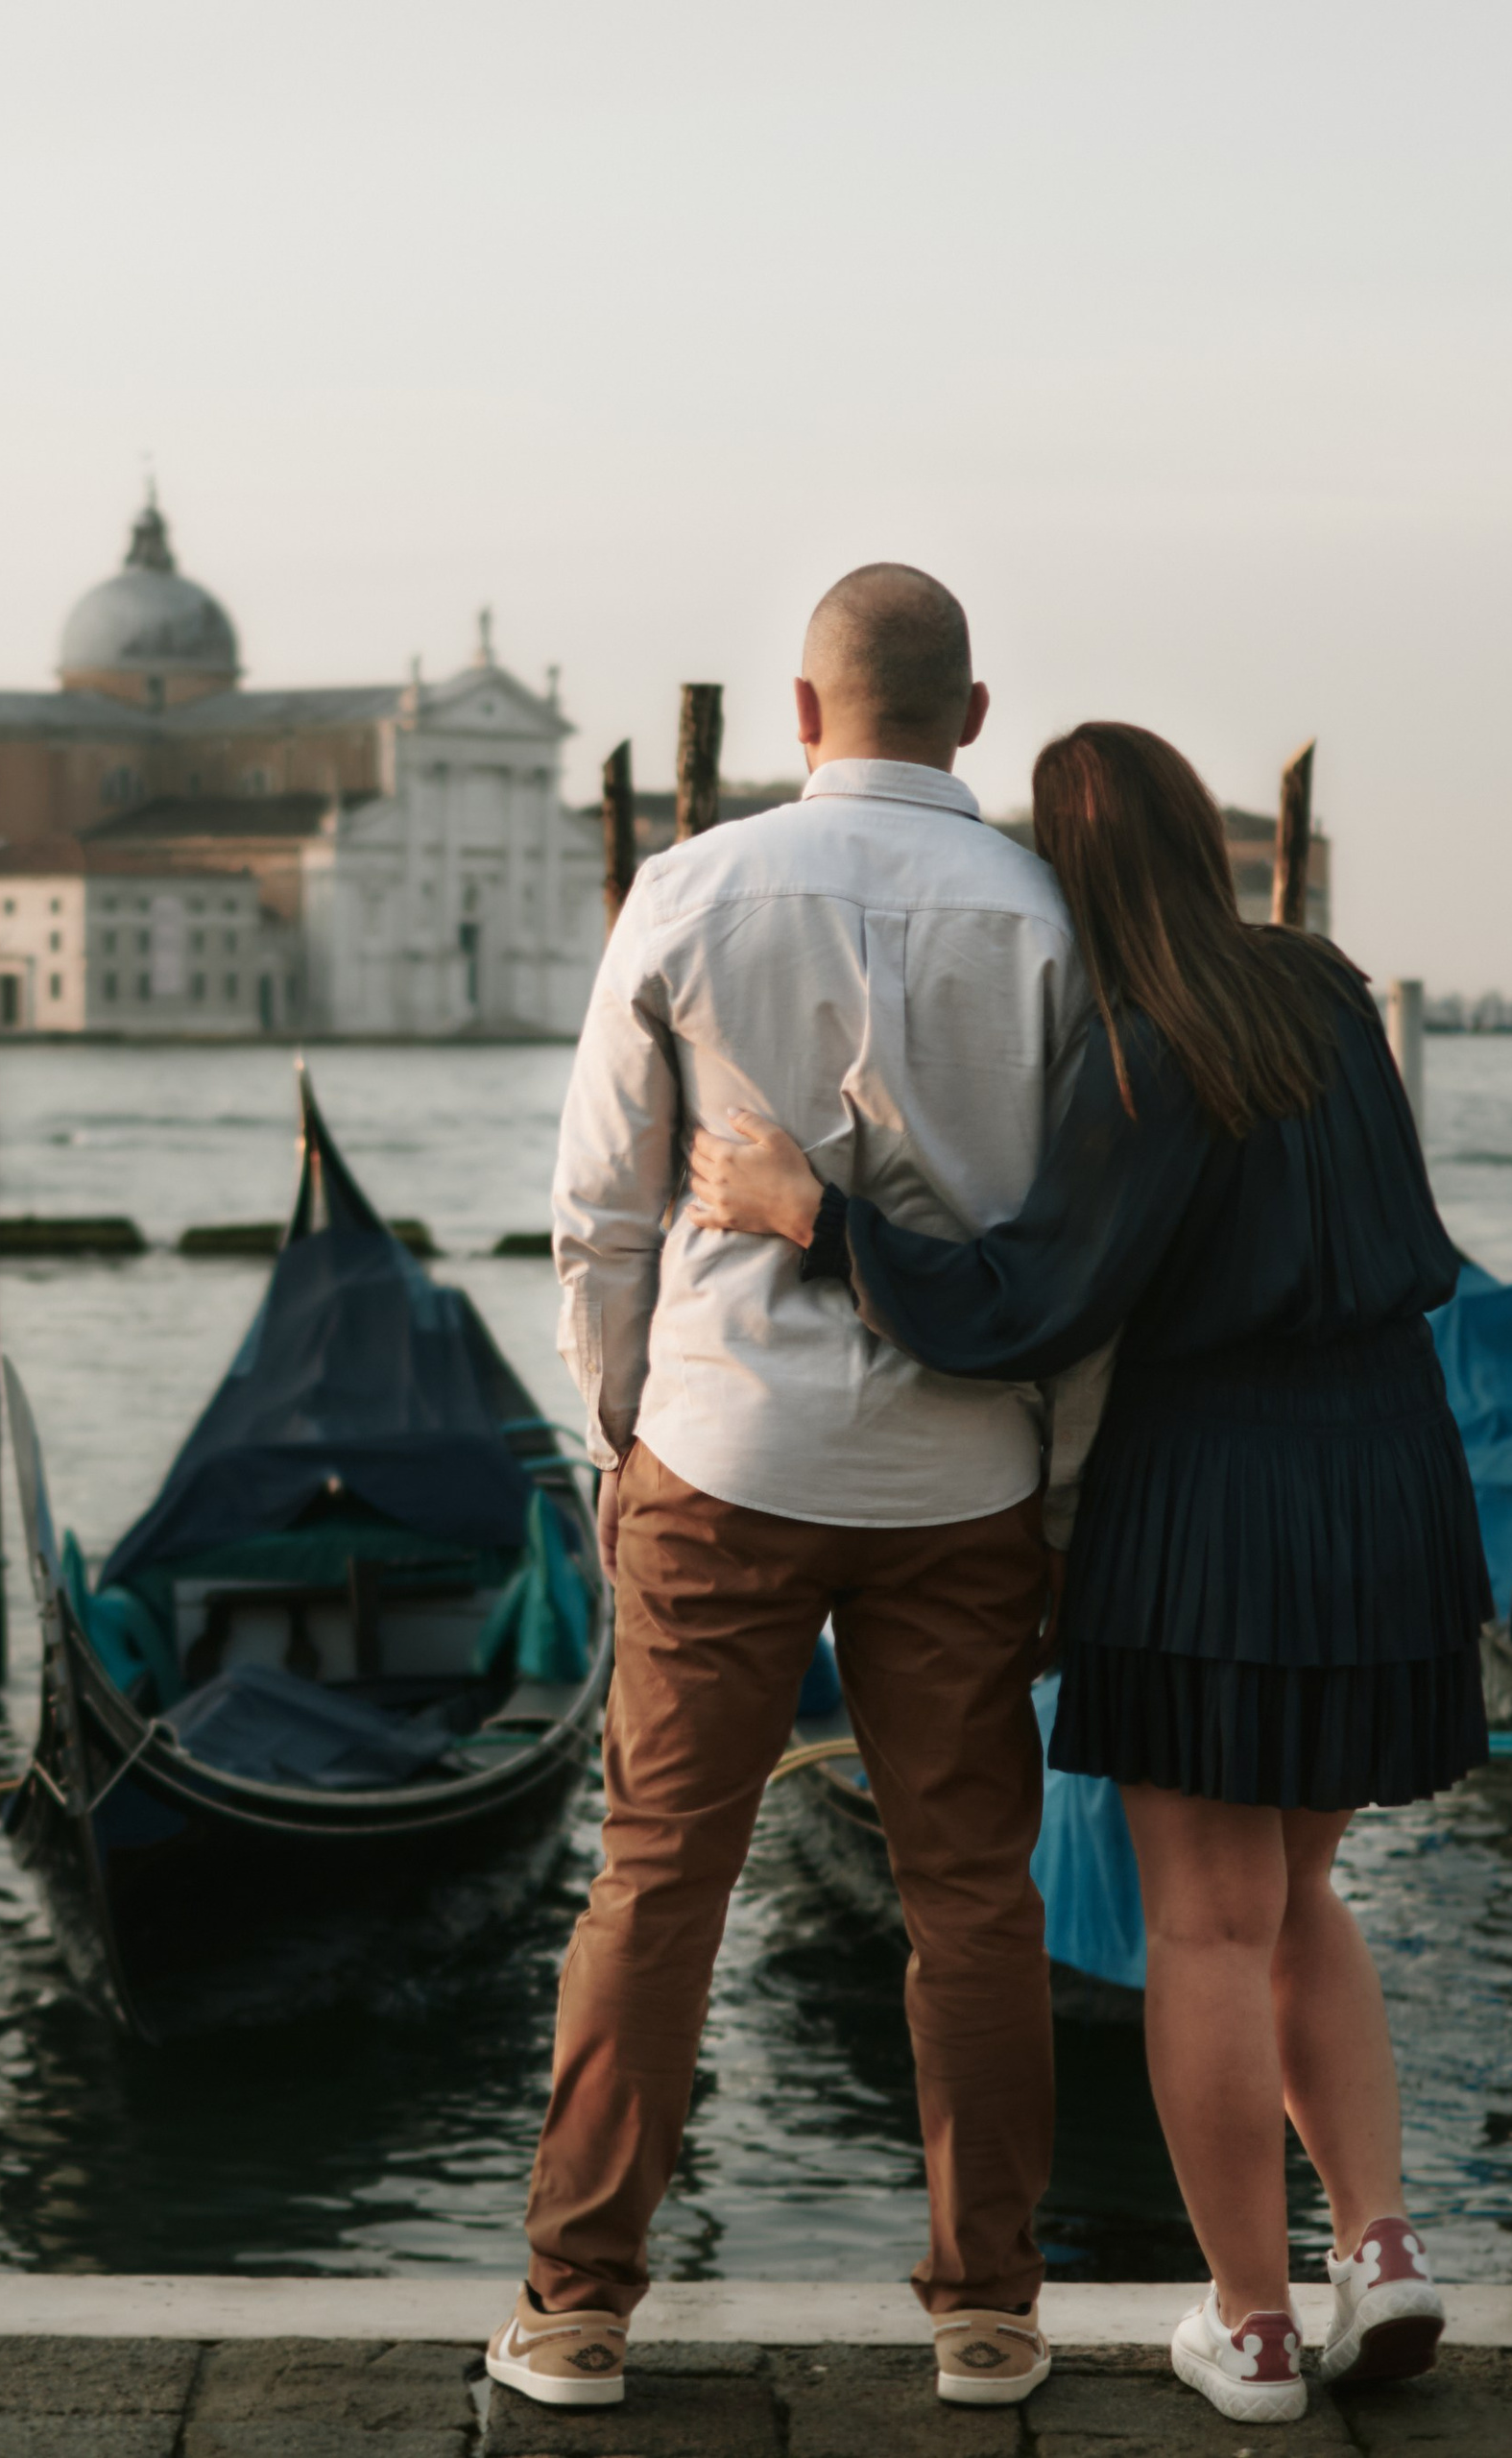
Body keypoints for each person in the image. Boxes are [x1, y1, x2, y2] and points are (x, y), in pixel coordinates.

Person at [686, 719, 1485, 2427]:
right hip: (1390, 1469)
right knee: (1302, 1897)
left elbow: (1026, 1308)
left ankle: (1256, 2330)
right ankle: (1385, 2250)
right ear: (1210, 842)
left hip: (1219, 1487)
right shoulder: (1328, 992)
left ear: (1062, 870)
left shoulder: (1140, 1049)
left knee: (1204, 1921)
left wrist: (808, 1212)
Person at [488, 566, 1108, 2415]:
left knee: (659, 1880)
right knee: (974, 1898)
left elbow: (601, 1210)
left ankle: (578, 2309)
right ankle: (989, 2316)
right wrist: (1061, 1495)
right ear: (973, 716)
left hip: (724, 1455)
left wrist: (617, 1444)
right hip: (965, 1475)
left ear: (805, 710)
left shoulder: (687, 889)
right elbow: (1079, 1278)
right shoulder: (1054, 921)